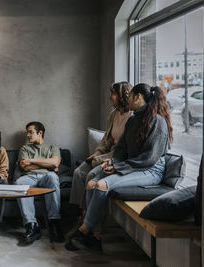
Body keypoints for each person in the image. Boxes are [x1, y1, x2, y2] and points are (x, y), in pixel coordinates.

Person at [67, 83, 173, 252]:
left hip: (151, 170)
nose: (127, 99)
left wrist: (118, 168)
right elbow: (121, 149)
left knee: (101, 185)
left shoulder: (158, 122)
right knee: (90, 183)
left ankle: (83, 231)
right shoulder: (133, 120)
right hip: (133, 167)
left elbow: (149, 159)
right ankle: (95, 237)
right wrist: (113, 163)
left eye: (130, 95)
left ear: (138, 97)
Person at [68, 82, 132, 218]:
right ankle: (79, 211)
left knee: (91, 174)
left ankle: (87, 215)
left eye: (113, 94)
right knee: (78, 172)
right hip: (106, 153)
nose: (110, 97)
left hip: (118, 156)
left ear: (122, 96)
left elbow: (123, 150)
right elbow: (106, 141)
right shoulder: (113, 115)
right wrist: (96, 154)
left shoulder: (132, 117)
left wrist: (99, 159)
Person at [15, 121, 63, 245]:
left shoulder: (53, 147)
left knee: (53, 177)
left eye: (31, 132)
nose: (28, 135)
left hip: (47, 176)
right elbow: (24, 167)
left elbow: (55, 162)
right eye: (27, 133)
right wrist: (48, 164)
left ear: (40, 133)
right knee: (19, 183)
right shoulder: (25, 148)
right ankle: (31, 226)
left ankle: (54, 223)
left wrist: (31, 161)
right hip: (29, 177)